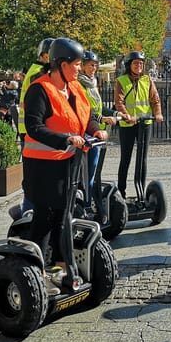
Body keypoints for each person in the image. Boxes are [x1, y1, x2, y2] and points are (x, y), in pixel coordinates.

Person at [22, 38, 106, 295]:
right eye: (76, 64)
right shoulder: (40, 89)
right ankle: (39, 272)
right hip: (44, 166)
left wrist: (95, 129)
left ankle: (60, 269)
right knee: (45, 218)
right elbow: (34, 127)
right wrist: (65, 139)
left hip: (71, 163)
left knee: (65, 218)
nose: (80, 68)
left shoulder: (75, 88)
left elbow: (87, 115)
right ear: (60, 64)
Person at [114, 51, 163, 198]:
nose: (139, 66)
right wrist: (126, 115)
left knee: (143, 158)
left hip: (145, 122)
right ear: (129, 65)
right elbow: (119, 101)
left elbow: (155, 99)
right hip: (128, 124)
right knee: (126, 158)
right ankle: (121, 191)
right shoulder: (121, 81)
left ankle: (140, 190)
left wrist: (158, 113)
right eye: (136, 63)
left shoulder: (147, 80)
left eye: (141, 63)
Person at [77, 50, 118, 220]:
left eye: (95, 65)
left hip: (97, 133)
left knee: (94, 172)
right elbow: (85, 111)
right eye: (90, 65)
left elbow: (97, 108)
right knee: (88, 173)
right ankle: (86, 207)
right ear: (83, 66)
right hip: (86, 133)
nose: (94, 68)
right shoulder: (80, 85)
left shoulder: (92, 84)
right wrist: (102, 118)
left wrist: (113, 113)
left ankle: (92, 205)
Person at [18, 38, 55, 143]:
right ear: (45, 55)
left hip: (29, 127)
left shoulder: (36, 70)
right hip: (33, 129)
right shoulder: (39, 73)